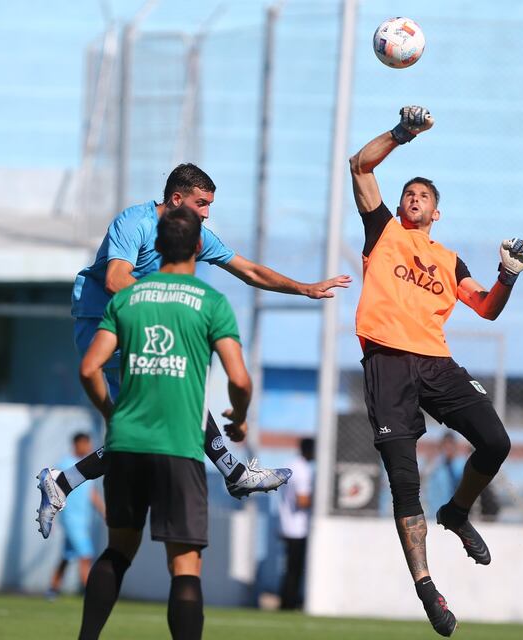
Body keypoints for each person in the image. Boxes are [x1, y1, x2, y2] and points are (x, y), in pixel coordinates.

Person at [37, 163, 351, 537]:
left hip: (140, 330)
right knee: (177, 382)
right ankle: (234, 473)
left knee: (135, 439)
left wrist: (304, 288)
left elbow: (248, 271)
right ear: (176, 198)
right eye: (201, 204)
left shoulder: (194, 236)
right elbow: (115, 278)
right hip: (103, 324)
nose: (206, 213)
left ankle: (63, 481)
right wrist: (164, 305)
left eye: (209, 206)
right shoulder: (134, 222)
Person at [349, 107, 523, 636]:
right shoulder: (382, 231)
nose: (413, 198)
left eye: (423, 196)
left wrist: (508, 276)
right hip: (386, 362)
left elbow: (487, 307)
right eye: (409, 192)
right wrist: (401, 134)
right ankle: (427, 587)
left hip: (436, 363)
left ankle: (457, 512)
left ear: (437, 212)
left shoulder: (449, 261)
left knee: (495, 441)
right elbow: (359, 168)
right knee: (404, 483)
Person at [76, 206, 251, 639]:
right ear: (197, 247)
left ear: (155, 246)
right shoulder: (210, 303)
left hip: (127, 446)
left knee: (118, 550)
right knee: (185, 566)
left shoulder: (127, 298)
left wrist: (109, 415)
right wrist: (240, 418)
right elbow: (239, 378)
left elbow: (88, 369)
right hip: (180, 448)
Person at [46, 432, 105, 600]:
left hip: (83, 519)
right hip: (71, 520)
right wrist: (52, 515)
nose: (89, 447)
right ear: (77, 444)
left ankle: (53, 589)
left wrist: (103, 511)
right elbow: (54, 491)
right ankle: (91, 592)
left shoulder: (89, 466)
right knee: (86, 555)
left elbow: (91, 493)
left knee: (66, 556)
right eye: (86, 444)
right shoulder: (65, 464)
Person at [278, 437, 314, 611]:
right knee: (295, 569)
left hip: (286, 523)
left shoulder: (291, 465)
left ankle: (287, 600)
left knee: (290, 568)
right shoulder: (304, 471)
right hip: (298, 527)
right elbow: (303, 501)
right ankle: (288, 602)